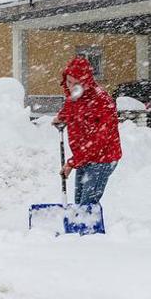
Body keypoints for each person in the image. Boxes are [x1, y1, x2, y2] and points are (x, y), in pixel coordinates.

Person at [53, 55, 121, 206]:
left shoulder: (101, 101)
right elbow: (71, 108)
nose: (71, 87)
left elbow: (99, 141)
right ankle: (80, 227)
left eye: (76, 84)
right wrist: (61, 117)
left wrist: (72, 163)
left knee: (87, 204)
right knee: (79, 203)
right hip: (85, 157)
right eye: (69, 82)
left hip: (102, 158)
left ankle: (90, 229)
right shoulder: (75, 95)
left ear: (86, 83)